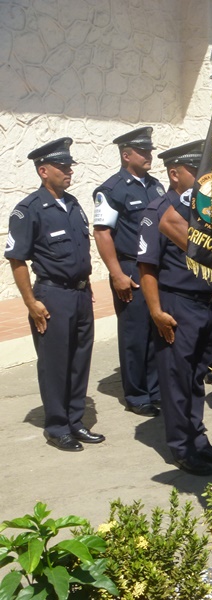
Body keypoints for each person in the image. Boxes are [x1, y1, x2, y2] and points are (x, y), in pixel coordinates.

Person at [137, 140, 212, 476]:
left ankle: (199, 440)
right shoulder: (158, 211)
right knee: (177, 380)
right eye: (195, 169)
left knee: (195, 379)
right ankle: (182, 447)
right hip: (176, 303)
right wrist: (156, 311)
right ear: (175, 174)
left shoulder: (204, 209)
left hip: (205, 304)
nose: (203, 175)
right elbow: (147, 266)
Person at [5, 138, 102, 451]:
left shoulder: (72, 204)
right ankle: (57, 427)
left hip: (80, 295)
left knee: (79, 360)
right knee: (55, 363)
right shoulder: (29, 210)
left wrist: (86, 288)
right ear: (43, 171)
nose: (69, 171)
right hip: (53, 296)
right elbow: (17, 260)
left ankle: (76, 421)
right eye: (62, 167)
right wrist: (30, 302)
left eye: (69, 166)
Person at [94, 127, 164, 417]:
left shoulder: (156, 186)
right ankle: (137, 395)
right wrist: (116, 274)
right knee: (135, 333)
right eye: (143, 151)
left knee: (157, 329)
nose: (149, 155)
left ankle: (156, 390)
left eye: (149, 150)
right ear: (126, 155)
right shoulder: (112, 190)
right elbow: (102, 234)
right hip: (131, 268)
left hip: (156, 268)